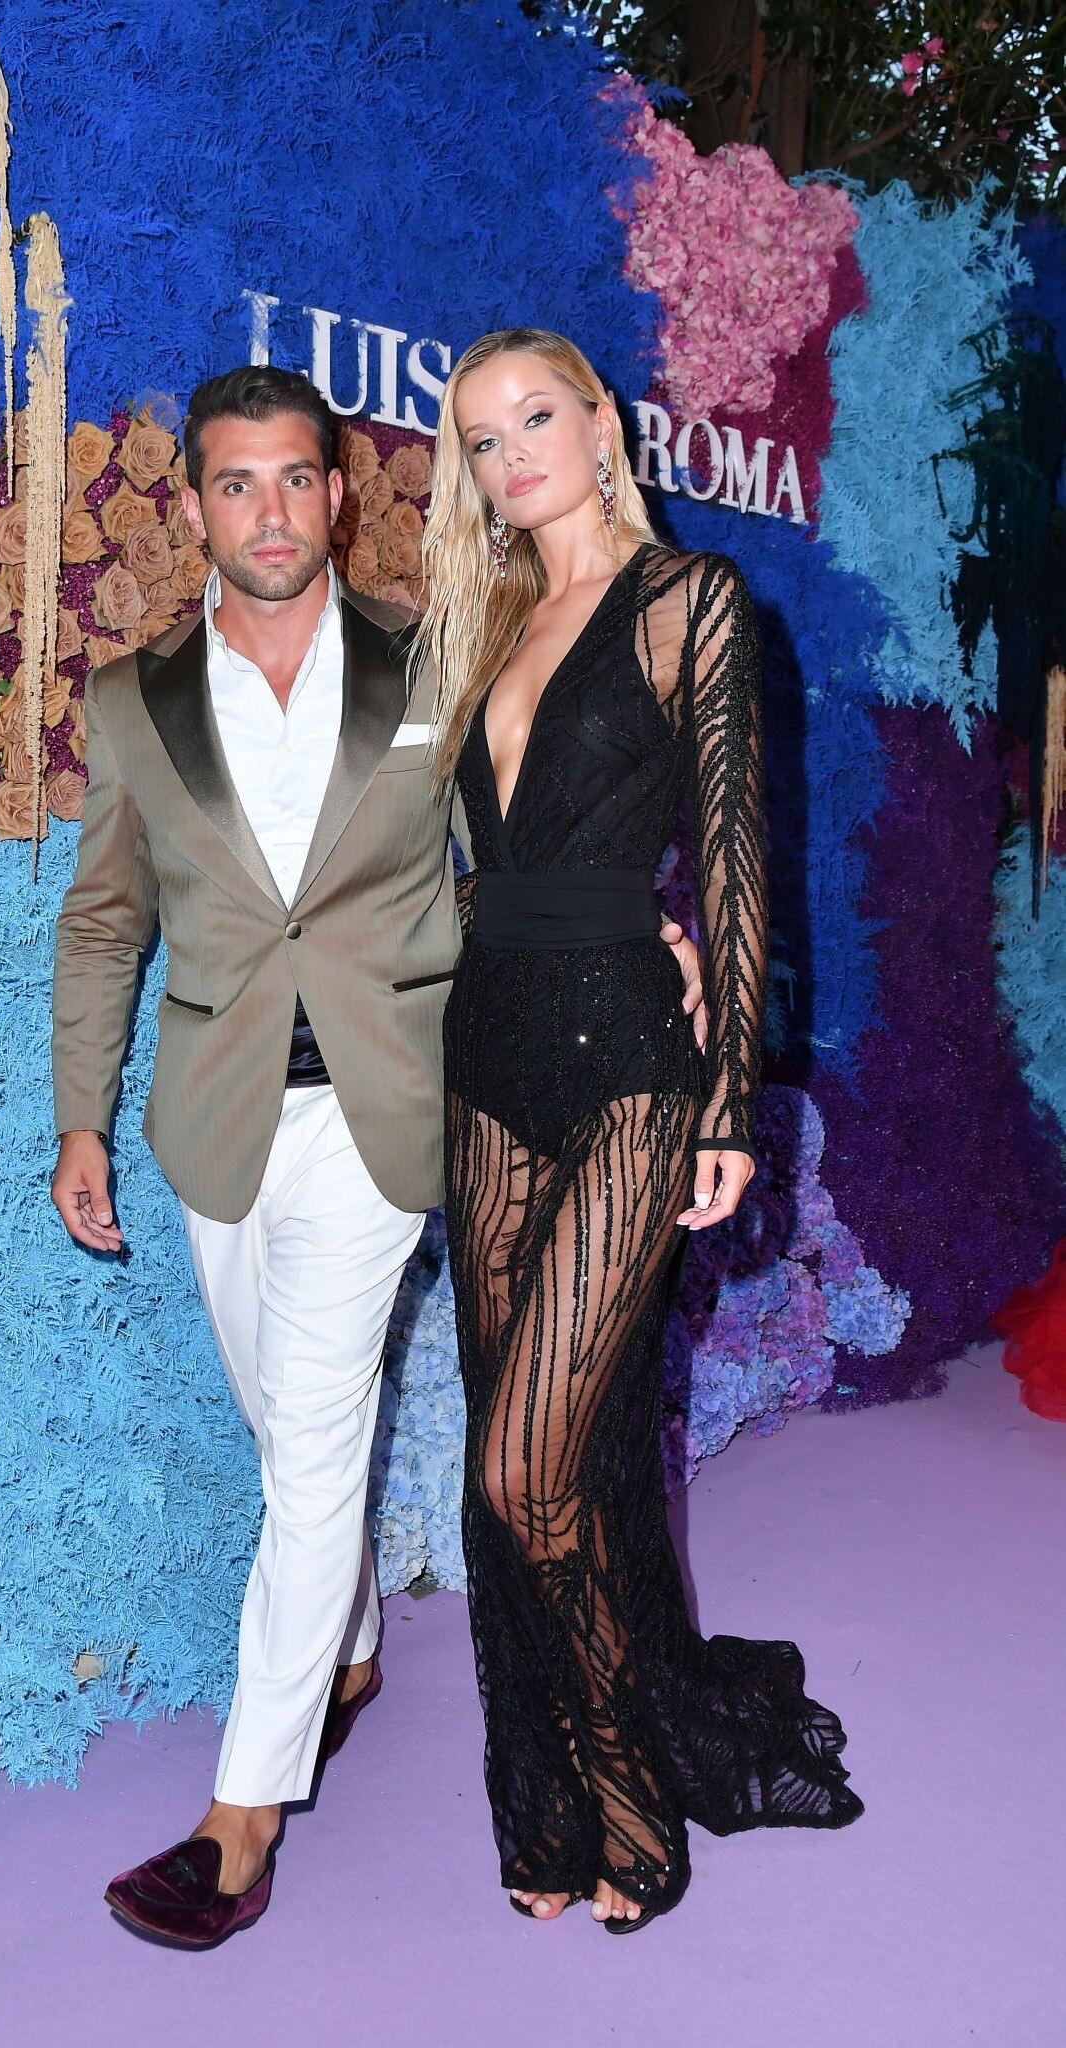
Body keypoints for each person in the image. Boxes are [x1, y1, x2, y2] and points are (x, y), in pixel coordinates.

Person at [49, 364, 706, 1948]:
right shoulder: (132, 700)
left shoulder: (431, 658)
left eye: (296, 478)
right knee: (282, 1427)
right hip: (213, 1120)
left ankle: (239, 1817)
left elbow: (522, 836)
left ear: (338, 495)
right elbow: (106, 917)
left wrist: (647, 934)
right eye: (236, 483)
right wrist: (79, 1115)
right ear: (194, 505)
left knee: (315, 1443)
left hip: (384, 1105)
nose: (269, 511)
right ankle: (345, 1650)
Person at [418, 328, 863, 1934]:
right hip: (489, 1051)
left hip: (626, 1065)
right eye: (480, 440)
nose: (511, 455)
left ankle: (627, 1803)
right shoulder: (480, 623)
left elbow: (735, 864)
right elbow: (467, 868)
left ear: (601, 423)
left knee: (529, 1464)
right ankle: (542, 1806)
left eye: (536, 417)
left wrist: (728, 1095)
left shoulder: (689, 603)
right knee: (549, 1470)